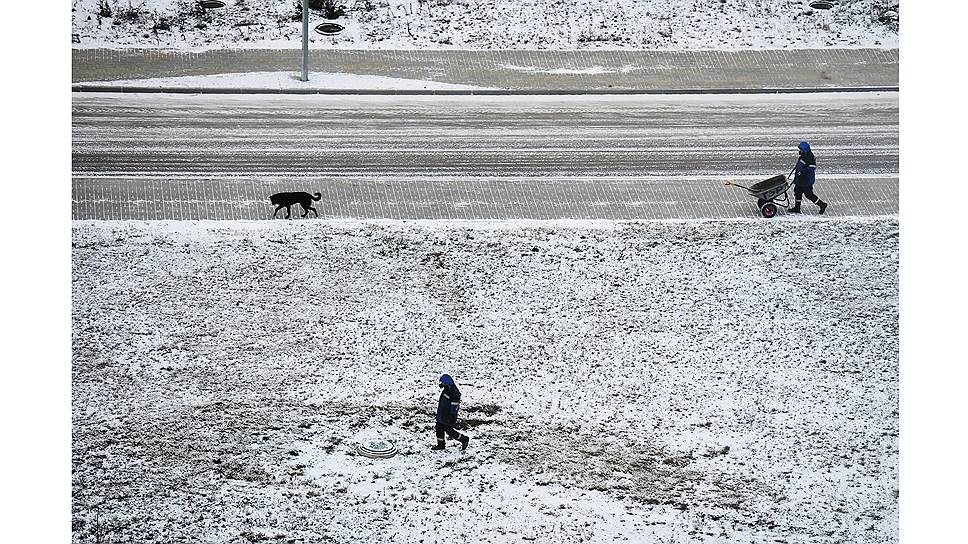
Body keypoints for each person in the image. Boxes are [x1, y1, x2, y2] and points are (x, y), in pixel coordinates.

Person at [432, 374, 470, 451]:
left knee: (449, 430)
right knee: (439, 428)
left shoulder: (454, 392)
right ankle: (441, 445)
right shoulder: (447, 389)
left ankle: (464, 439)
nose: (441, 384)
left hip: (447, 415)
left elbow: (454, 406)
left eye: (442, 382)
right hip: (442, 414)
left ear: (446, 382)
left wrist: (452, 416)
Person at [789, 141, 828, 214]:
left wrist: (802, 172)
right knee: (797, 192)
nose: (800, 151)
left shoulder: (809, 157)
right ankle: (797, 208)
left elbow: (811, 168)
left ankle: (822, 205)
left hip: (806, 180)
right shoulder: (803, 156)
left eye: (801, 150)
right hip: (800, 179)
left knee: (809, 195)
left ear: (804, 150)